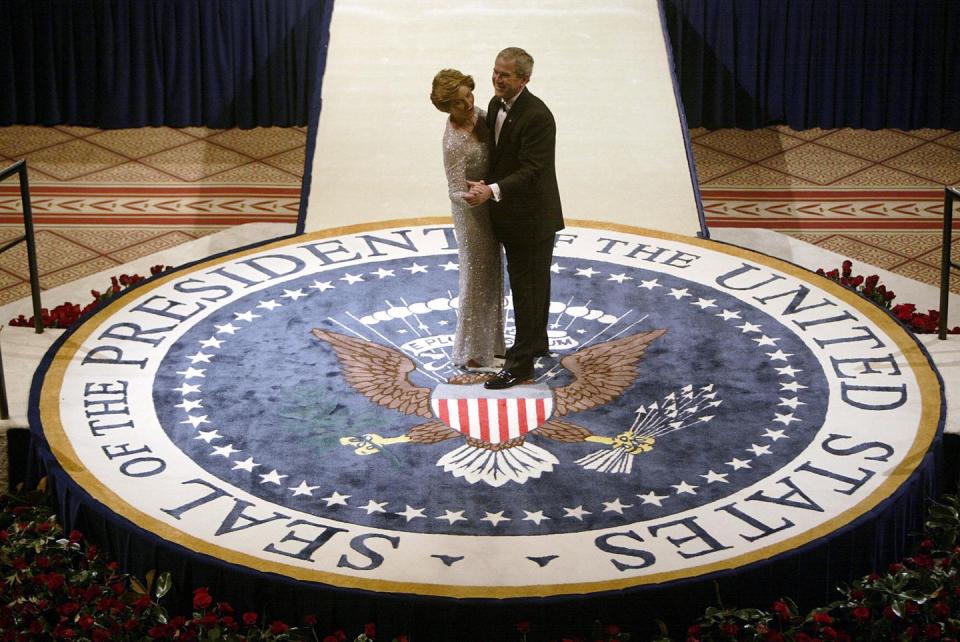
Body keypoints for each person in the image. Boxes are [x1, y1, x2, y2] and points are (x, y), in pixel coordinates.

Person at [465, 47, 564, 390]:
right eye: (495, 72)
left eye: (505, 75)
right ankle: (535, 342)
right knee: (532, 284)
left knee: (526, 288)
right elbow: (499, 154)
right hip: (511, 215)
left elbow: (533, 170)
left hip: (533, 218)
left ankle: (521, 364)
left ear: (524, 79)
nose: (497, 79)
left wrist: (491, 190)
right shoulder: (495, 105)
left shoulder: (539, 116)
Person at [430, 69, 505, 371]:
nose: (469, 103)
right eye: (460, 102)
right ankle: (473, 353)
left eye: (469, 95)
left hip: (490, 204)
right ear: (447, 107)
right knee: (475, 278)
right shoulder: (453, 143)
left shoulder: (482, 116)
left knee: (493, 274)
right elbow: (454, 189)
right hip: (471, 215)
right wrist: (473, 196)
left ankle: (492, 345)